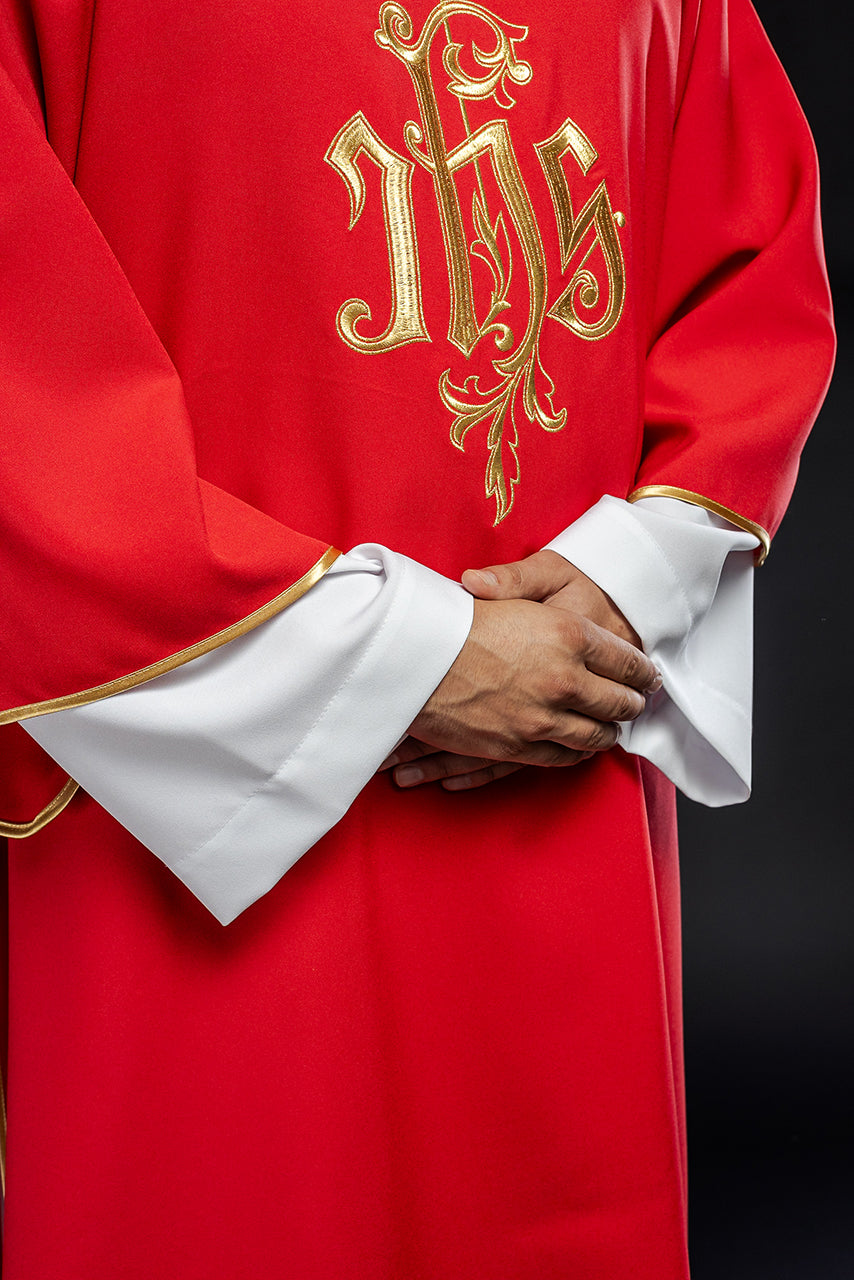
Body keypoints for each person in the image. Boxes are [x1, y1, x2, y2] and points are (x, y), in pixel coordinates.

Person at [0, 0, 833, 1275]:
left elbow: (749, 258)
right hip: (181, 802)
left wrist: (628, 578)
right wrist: (402, 658)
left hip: (561, 754)